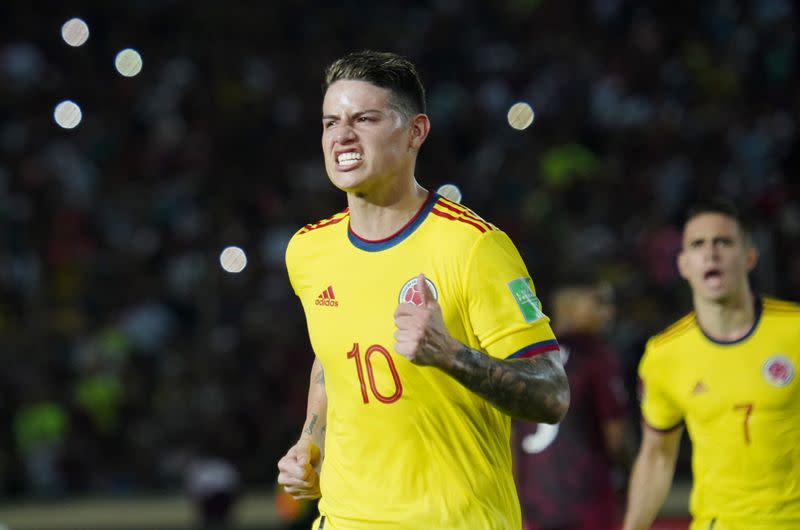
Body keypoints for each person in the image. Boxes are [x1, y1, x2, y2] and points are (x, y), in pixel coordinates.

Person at [275, 50, 569, 530]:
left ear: (415, 132)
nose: (342, 135)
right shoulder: (308, 251)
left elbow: (552, 395)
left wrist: (452, 355)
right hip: (346, 518)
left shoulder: (474, 248)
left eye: (364, 118)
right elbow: (331, 357)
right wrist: (312, 439)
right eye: (331, 122)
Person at [622, 199, 800, 530]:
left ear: (749, 257)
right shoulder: (664, 355)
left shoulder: (795, 331)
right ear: (684, 264)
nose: (711, 253)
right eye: (698, 244)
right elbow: (657, 456)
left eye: (723, 242)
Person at [513, 281, 631, 530]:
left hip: (535, 504)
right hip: (587, 504)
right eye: (598, 303)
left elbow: (511, 438)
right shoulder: (595, 356)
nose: (608, 313)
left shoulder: (527, 357)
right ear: (566, 306)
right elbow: (615, 438)